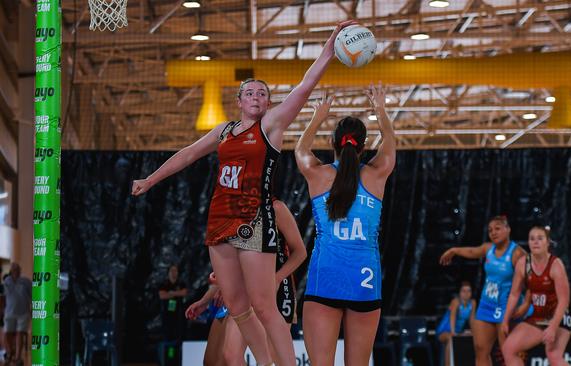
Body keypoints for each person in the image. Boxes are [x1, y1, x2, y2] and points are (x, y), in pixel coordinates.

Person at [132, 20, 356, 366]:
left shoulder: (272, 125)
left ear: (268, 103)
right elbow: (188, 154)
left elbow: (306, 84)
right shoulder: (224, 131)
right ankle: (265, 362)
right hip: (220, 218)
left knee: (264, 305)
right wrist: (151, 179)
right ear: (238, 100)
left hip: (254, 218)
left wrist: (330, 46)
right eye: (250, 92)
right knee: (236, 305)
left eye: (262, 93)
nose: (256, 96)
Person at [294, 83, 396, 366]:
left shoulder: (318, 175)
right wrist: (381, 110)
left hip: (326, 279)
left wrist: (318, 115)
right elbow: (390, 144)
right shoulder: (377, 176)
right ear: (363, 147)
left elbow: (300, 150)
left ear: (333, 143)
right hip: (365, 282)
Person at [186, 199, 307, 365]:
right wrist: (207, 298)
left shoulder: (276, 207)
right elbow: (231, 265)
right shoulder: (233, 210)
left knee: (272, 356)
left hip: (274, 290)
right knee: (227, 357)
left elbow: (300, 252)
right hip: (243, 290)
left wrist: (277, 278)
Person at [439, 216, 528, 366]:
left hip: (505, 306)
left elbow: (532, 281)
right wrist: (454, 250)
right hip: (487, 304)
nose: (493, 232)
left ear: (508, 230)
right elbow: (472, 251)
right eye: (490, 230)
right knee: (480, 349)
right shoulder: (488, 248)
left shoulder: (517, 253)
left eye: (497, 228)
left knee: (508, 351)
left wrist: (525, 304)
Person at [501, 226, 571, 366]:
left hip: (559, 313)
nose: (535, 242)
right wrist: (505, 318)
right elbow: (515, 294)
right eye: (532, 239)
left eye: (540, 238)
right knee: (508, 349)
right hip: (540, 315)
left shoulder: (555, 265)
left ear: (547, 243)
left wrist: (552, 326)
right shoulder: (523, 264)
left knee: (553, 355)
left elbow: (564, 300)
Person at [437, 282, 476, 366]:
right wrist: (453, 332)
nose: (466, 294)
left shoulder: (473, 303)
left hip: (458, 331)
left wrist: (473, 332)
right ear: (459, 292)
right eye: (463, 291)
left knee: (473, 338)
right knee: (451, 339)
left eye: (469, 291)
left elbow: (472, 320)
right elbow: (452, 317)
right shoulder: (456, 302)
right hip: (444, 330)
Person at [3, 263, 31, 365]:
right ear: (11, 271)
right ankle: (10, 353)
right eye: (14, 269)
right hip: (9, 312)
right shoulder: (7, 281)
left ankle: (18, 357)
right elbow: (3, 296)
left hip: (23, 313)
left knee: (20, 333)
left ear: (20, 270)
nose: (15, 271)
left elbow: (33, 295)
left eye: (17, 269)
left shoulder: (26, 282)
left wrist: (32, 308)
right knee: (7, 334)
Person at [159, 265, 188, 344]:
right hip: (167, 312)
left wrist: (171, 293)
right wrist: (177, 294)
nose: (173, 272)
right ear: (168, 272)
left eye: (175, 270)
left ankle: (178, 347)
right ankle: (168, 348)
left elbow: (184, 292)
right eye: (171, 270)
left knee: (179, 331)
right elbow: (162, 295)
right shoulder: (164, 284)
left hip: (178, 312)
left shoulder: (181, 283)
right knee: (168, 333)